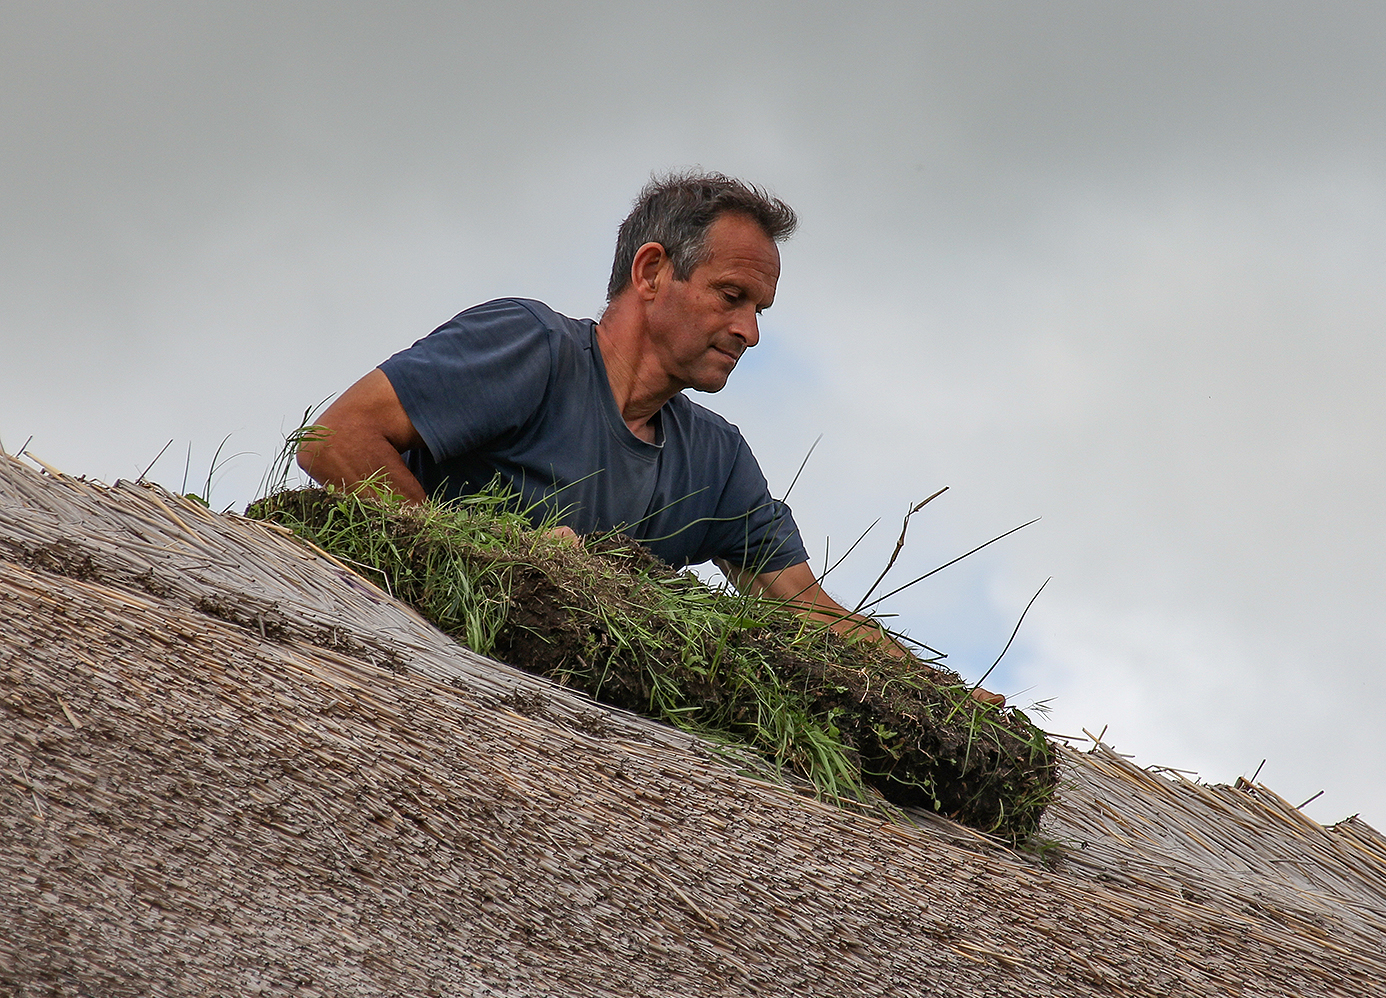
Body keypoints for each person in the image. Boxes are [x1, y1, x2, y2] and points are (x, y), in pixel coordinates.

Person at [298, 170, 1001, 704]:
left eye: (760, 310)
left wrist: (945, 695)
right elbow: (333, 437)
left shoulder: (716, 461)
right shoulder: (532, 348)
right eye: (732, 297)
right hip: (400, 674)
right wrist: (488, 562)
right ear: (652, 271)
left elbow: (804, 608)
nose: (750, 332)